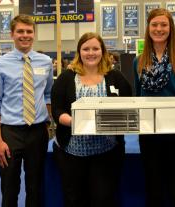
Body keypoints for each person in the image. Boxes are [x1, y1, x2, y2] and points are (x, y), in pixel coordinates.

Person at [51, 32, 132, 207]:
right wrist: (76, 122)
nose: (91, 53)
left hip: (106, 152)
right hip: (71, 153)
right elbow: (57, 110)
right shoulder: (66, 77)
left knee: (103, 199)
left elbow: (129, 104)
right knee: (74, 199)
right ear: (79, 52)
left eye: (95, 48)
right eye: (86, 49)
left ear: (102, 51)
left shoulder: (115, 77)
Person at [0, 14, 53, 207]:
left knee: (36, 186)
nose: (25, 35)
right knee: (9, 186)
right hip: (10, 133)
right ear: (12, 34)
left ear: (34, 34)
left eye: (29, 31)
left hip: (37, 131)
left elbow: (47, 94)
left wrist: (48, 121)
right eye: (20, 31)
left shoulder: (46, 62)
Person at [133, 8, 175, 207]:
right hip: (149, 134)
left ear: (171, 29)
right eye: (154, 25)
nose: (159, 29)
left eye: (163, 25)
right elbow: (138, 97)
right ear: (148, 28)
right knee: (153, 188)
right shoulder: (139, 61)